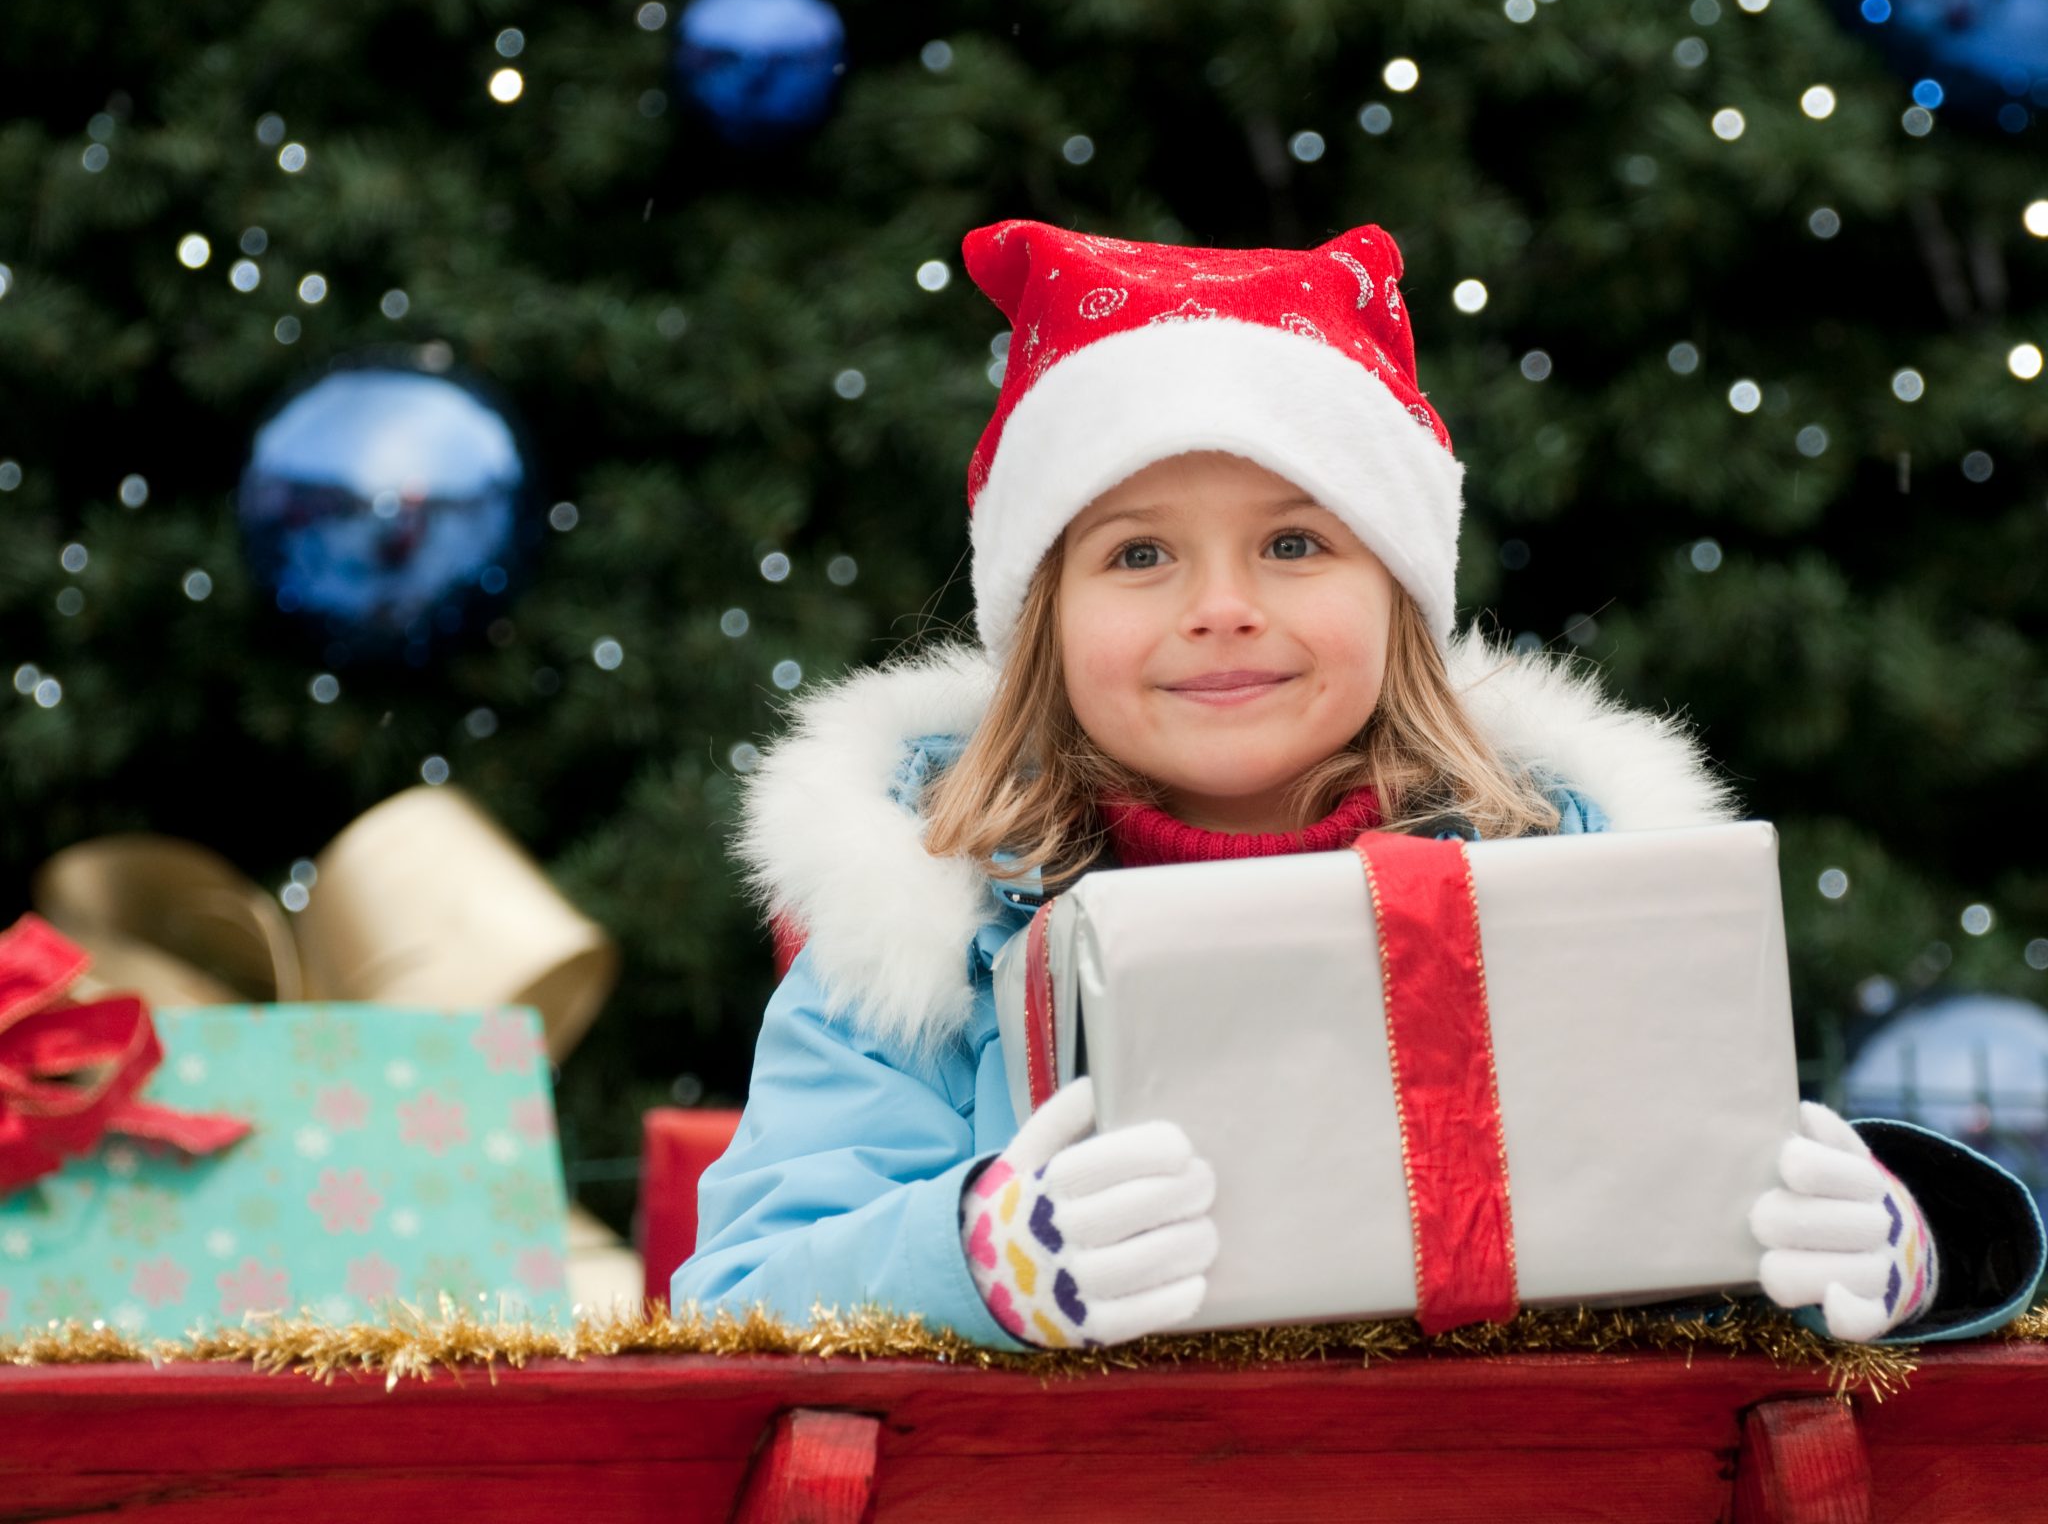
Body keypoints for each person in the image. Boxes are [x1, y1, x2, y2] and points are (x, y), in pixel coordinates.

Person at [674, 218, 2043, 1351]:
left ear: (1400, 596)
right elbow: (735, 1293)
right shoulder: (923, 945)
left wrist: (1897, 1238)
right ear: (1040, 618)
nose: (1220, 608)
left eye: (1294, 542)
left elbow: (1699, 1228)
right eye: (1139, 556)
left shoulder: (1567, 890)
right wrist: (973, 1258)